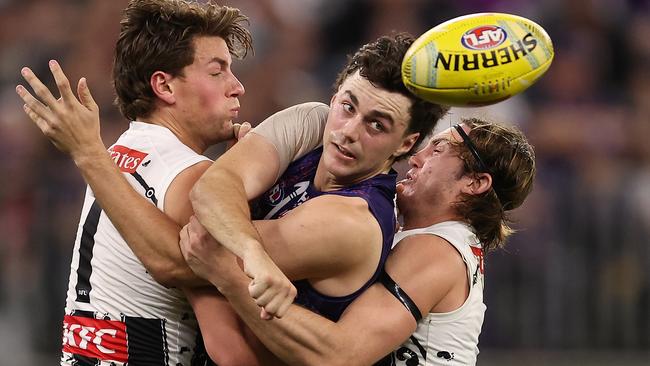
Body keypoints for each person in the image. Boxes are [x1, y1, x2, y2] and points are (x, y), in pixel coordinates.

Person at [181, 118, 536, 365]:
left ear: (475, 183)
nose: (417, 157)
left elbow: (339, 356)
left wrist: (227, 276)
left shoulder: (438, 250)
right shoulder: (422, 234)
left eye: (439, 150)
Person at [15, 0, 256, 364]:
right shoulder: (195, 175)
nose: (237, 87)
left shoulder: (119, 151)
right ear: (165, 86)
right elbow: (231, 352)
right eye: (217, 71)